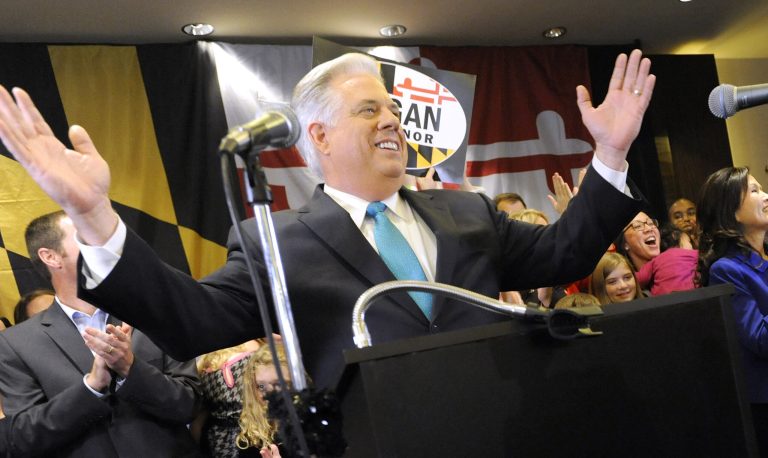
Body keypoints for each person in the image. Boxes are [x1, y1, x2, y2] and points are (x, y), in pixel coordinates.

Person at [0, 49, 655, 389]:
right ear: (320, 136)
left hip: (502, 427)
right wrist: (92, 214)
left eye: (392, 108)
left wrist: (611, 153)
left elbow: (566, 255)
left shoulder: (469, 210)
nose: (392, 120)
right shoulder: (276, 241)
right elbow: (192, 322)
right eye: (369, 110)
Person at [0, 211, 203, 457]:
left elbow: (189, 404)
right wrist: (91, 387)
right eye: (85, 236)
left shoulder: (150, 312)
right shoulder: (16, 343)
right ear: (51, 257)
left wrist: (131, 368)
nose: (102, 244)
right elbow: (22, 437)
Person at [696, 166, 768, 456]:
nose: (765, 195)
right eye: (754, 190)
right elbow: (761, 340)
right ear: (732, 213)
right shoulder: (727, 270)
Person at [195, 339, 263, 457]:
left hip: (218, 440)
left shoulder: (203, 364)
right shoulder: (254, 348)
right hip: (253, 432)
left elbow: (198, 420)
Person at [634, 223, 697, 296]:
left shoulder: (656, 260)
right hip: (691, 297)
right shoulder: (694, 254)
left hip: (662, 301)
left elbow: (638, 279)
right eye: (689, 241)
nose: (692, 246)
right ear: (675, 236)